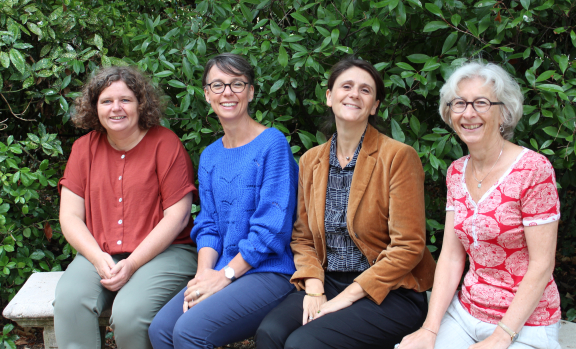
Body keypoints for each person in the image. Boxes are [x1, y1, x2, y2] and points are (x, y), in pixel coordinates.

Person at [256, 58, 436, 349]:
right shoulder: (310, 161)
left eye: (365, 90)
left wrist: (347, 296)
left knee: (304, 344)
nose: (354, 94)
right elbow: (301, 238)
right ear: (329, 96)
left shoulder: (398, 157)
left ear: (374, 105)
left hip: (390, 290)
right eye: (346, 86)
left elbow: (409, 246)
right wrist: (314, 286)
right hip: (328, 279)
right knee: (271, 333)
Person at [397, 62, 562, 349]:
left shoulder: (534, 169)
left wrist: (500, 337)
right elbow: (450, 257)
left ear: (504, 111)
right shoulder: (456, 172)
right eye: (459, 103)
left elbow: (542, 264)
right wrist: (430, 329)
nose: (468, 113)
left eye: (481, 103)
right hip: (465, 314)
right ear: (449, 113)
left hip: (524, 323)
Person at [148, 53, 298, 349]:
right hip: (222, 268)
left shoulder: (273, 145)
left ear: (251, 91)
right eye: (218, 85)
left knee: (189, 331)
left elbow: (271, 230)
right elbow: (208, 225)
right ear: (207, 95)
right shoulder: (210, 156)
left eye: (237, 84)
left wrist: (224, 276)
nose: (227, 92)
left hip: (269, 272)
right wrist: (205, 273)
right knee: (161, 331)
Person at [54, 66, 199, 349]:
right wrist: (96, 258)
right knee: (70, 301)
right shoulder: (84, 149)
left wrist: (131, 263)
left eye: (125, 100)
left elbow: (178, 217)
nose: (116, 108)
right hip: (102, 252)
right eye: (106, 101)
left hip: (165, 253)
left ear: (140, 104)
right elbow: (70, 216)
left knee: (130, 314)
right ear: (95, 107)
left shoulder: (166, 144)